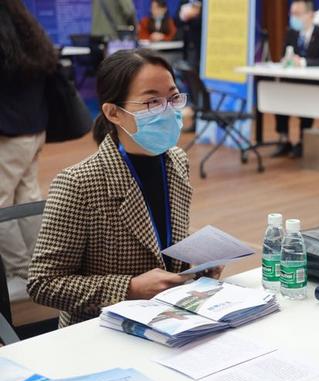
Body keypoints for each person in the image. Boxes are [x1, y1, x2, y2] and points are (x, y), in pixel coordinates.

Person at [28, 49, 221, 328]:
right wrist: (128, 288)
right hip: (103, 328)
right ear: (114, 112)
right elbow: (43, 283)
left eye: (173, 97)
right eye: (152, 102)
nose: (167, 110)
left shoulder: (176, 160)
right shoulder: (79, 183)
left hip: (171, 317)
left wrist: (199, 261)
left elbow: (160, 238)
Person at [0, 0, 57, 286]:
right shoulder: (29, 33)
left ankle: (19, 268)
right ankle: (37, 262)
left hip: (9, 136)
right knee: (28, 196)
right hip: (34, 130)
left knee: (2, 202)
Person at [272, 0, 319, 159]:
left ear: (310, 15)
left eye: (298, 14)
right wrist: (287, 60)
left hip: (313, 84)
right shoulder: (291, 33)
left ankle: (302, 141)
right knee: (278, 95)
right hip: (291, 81)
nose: (294, 18)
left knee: (306, 101)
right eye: (292, 14)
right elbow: (284, 55)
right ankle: (284, 139)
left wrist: (304, 63)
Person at [176, 0, 203, 69]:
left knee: (197, 67)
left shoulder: (204, 2)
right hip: (186, 42)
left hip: (199, 42)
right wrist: (185, 18)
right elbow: (177, 21)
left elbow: (204, 20)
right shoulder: (183, 2)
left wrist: (194, 16)